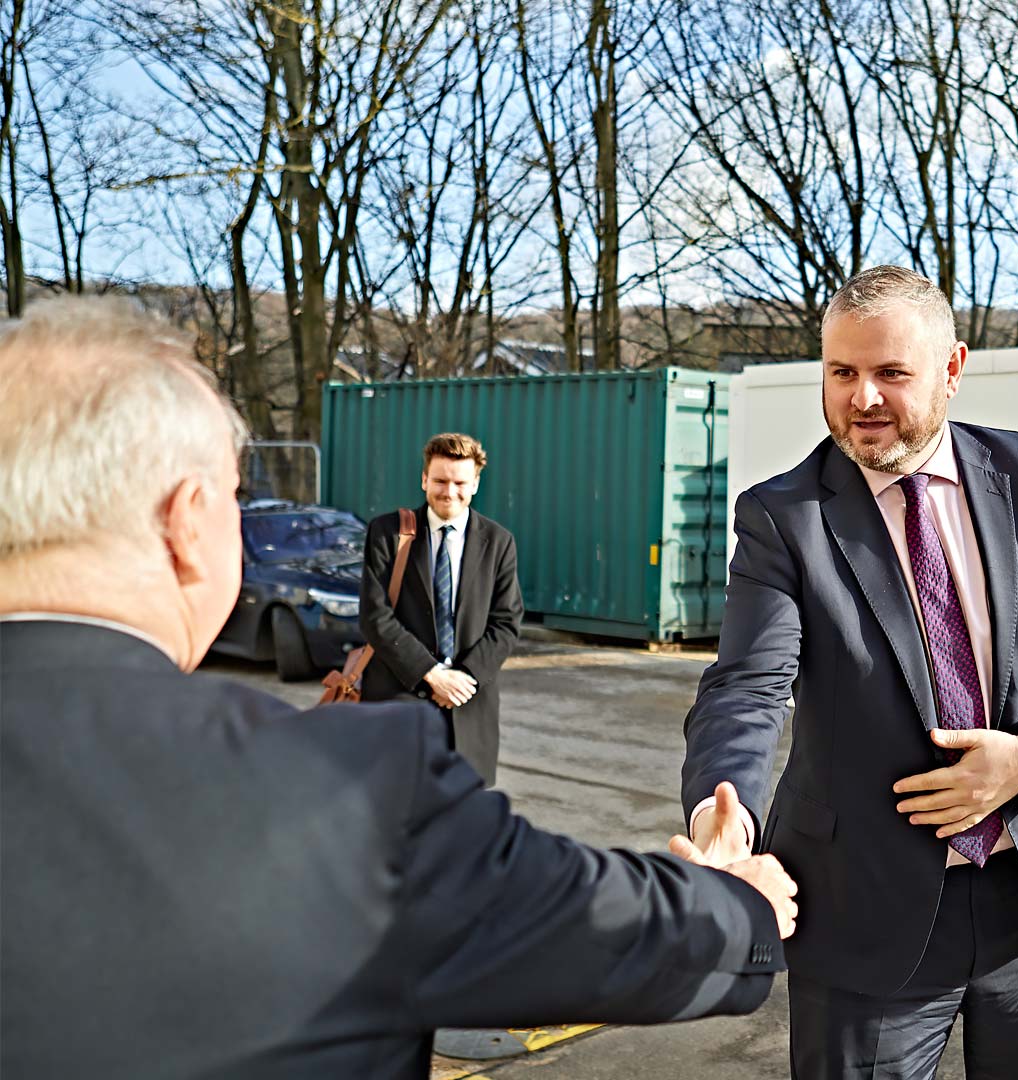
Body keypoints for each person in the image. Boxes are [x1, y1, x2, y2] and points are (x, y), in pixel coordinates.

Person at [0, 296, 798, 1079]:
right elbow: (586, 929)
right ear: (188, 523)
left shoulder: (493, 549)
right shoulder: (348, 787)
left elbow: (505, 624)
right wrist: (736, 904)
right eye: (236, 499)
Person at [678, 265, 1018, 1079]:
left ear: (953, 369)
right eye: (842, 372)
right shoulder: (782, 517)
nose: (862, 399)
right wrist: (724, 814)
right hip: (864, 916)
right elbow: (747, 684)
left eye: (891, 373)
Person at [359, 432, 520, 785]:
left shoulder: (499, 542)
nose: (449, 492)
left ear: (476, 484)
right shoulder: (387, 533)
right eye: (440, 481)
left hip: (468, 708)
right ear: (424, 480)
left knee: (463, 822)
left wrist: (463, 680)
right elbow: (375, 616)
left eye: (460, 482)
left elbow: (506, 623)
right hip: (399, 701)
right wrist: (431, 674)